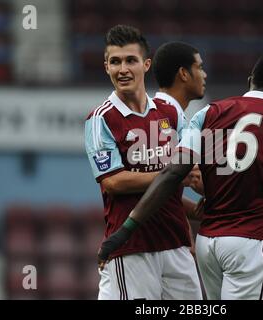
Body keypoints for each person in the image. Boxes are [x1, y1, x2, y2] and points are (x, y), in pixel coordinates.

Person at [98, 51, 263, 300]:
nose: (205, 73)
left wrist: (126, 229)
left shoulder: (209, 114)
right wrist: (257, 191)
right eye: (200, 67)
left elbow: (185, 174)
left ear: (250, 82)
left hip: (208, 243)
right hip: (249, 241)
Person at [84, 25, 202, 300]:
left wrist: (205, 200)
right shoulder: (101, 119)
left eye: (130, 60)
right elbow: (113, 182)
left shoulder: (170, 110)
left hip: (176, 244)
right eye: (115, 61)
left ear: (146, 64)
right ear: (106, 67)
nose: (122, 69)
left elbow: (191, 170)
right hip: (133, 248)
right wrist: (172, 174)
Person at [152, 41, 207, 256]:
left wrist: (195, 213)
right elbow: (166, 179)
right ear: (184, 74)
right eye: (200, 68)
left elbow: (163, 188)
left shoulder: (170, 114)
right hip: (159, 244)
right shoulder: (164, 116)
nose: (204, 75)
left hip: (167, 240)